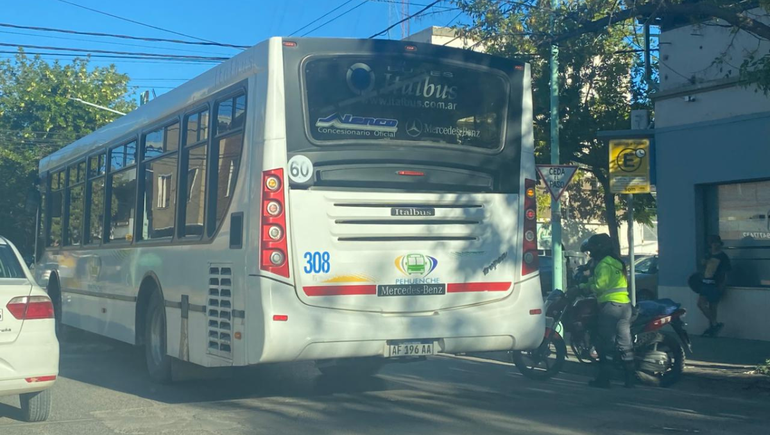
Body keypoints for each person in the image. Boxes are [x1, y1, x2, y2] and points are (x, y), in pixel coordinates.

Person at [576, 234, 635, 389]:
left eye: (593, 248)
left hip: (611, 307)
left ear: (600, 247)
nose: (591, 251)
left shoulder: (603, 264)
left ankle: (604, 379)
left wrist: (582, 288)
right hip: (625, 306)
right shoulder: (618, 262)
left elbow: (599, 286)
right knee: (625, 343)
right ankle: (630, 379)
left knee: (605, 343)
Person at [698, 235, 731, 337]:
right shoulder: (708, 255)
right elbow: (703, 267)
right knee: (701, 304)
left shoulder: (723, 257)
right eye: (713, 243)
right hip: (705, 282)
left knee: (713, 307)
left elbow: (726, 273)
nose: (715, 245)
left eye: (716, 243)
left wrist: (722, 286)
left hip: (715, 284)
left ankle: (713, 327)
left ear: (720, 244)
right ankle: (715, 323)